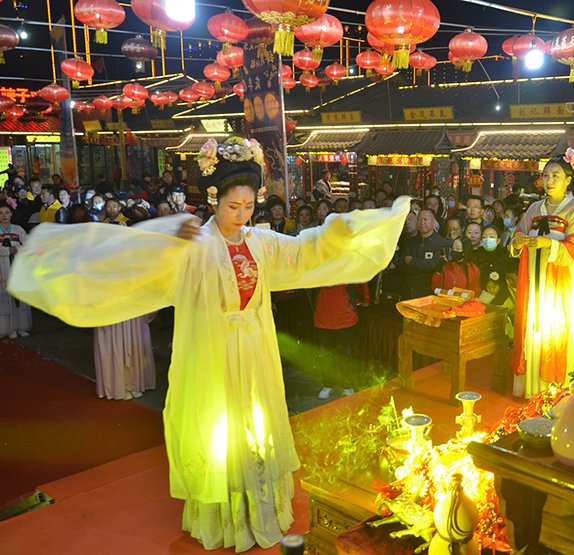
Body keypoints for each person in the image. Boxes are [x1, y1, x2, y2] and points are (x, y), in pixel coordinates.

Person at [8, 136, 409, 552]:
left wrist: (337, 233)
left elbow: (305, 252)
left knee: (259, 426)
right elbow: (142, 259)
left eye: (248, 206)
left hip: (255, 348)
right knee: (220, 433)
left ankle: (261, 509)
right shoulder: (196, 244)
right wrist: (169, 233)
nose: (242, 215)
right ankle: (225, 517)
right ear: (215, 200)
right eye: (234, 206)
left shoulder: (261, 242)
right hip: (213, 352)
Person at [509, 155, 574, 398]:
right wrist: (517, 242)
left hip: (561, 280)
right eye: (546, 175)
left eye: (556, 176)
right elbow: (517, 236)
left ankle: (553, 388)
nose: (549, 181)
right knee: (532, 326)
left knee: (556, 329)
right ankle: (531, 387)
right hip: (533, 278)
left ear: (568, 180)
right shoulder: (534, 208)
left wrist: (548, 243)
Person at [399, 208, 451, 299]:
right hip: (408, 291)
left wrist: (412, 261)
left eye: (425, 219)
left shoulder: (443, 243)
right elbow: (402, 265)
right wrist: (424, 265)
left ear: (433, 222)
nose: (422, 222)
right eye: (419, 219)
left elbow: (435, 266)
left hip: (430, 293)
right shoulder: (409, 242)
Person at [0, 203, 30, 339]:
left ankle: (21, 326)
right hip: (2, 266)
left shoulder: (18, 229)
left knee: (20, 296)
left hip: (17, 265)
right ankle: (8, 328)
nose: (4, 215)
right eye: (1, 213)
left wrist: (17, 249)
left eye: (7, 212)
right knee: (5, 296)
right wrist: (6, 251)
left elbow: (28, 244)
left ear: (11, 214)